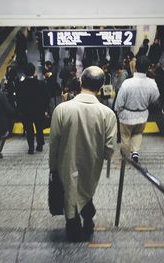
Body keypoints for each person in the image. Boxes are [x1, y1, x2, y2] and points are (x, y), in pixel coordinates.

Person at [49, 66, 117, 242]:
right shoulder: (108, 114)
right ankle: (88, 218)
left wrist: (53, 168)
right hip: (92, 164)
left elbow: (54, 144)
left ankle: (73, 225)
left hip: (66, 161)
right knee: (86, 189)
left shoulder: (62, 110)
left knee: (70, 191)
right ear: (101, 87)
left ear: (81, 82)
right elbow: (110, 148)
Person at [114, 56, 160, 162]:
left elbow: (119, 103)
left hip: (126, 116)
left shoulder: (127, 83)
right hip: (142, 115)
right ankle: (135, 152)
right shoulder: (152, 83)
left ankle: (125, 158)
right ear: (148, 68)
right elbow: (155, 99)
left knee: (125, 137)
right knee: (138, 134)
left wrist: (118, 112)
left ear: (135, 66)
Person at [17, 63, 49, 154]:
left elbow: (18, 100)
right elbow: (46, 97)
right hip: (39, 110)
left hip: (26, 112)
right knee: (39, 128)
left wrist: (20, 110)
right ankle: (40, 145)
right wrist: (44, 109)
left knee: (29, 129)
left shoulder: (20, 85)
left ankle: (31, 147)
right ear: (34, 71)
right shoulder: (41, 84)